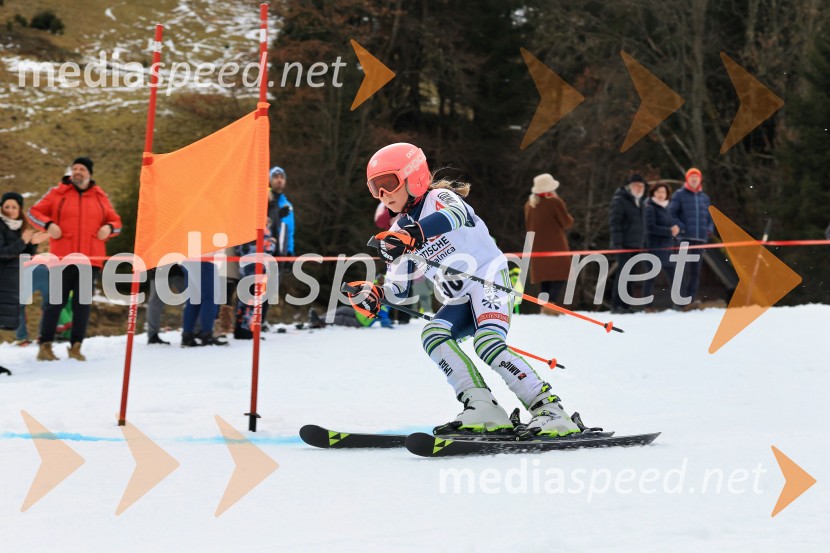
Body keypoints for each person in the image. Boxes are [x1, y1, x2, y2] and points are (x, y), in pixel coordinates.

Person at [344, 142, 585, 438]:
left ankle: (549, 408)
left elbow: (457, 216)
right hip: (460, 298)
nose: (383, 195)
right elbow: (398, 287)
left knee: (487, 343)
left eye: (388, 184)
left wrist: (415, 234)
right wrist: (376, 295)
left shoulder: (439, 198)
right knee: (433, 334)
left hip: (488, 282)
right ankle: (482, 406)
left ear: (414, 177)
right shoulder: (395, 234)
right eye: (374, 188)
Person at [27, 157, 122, 361]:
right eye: (74, 168)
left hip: (90, 260)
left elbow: (117, 222)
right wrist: (49, 225)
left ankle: (76, 346)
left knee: (82, 305)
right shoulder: (57, 193)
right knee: (55, 303)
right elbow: (33, 213)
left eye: (82, 169)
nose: (77, 171)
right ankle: (45, 346)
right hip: (62, 259)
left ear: (89, 173)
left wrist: (109, 228)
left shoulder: (100, 196)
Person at [524, 173, 574, 306]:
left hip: (536, 246)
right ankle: (550, 304)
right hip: (556, 246)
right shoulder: (555, 202)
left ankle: (543, 305)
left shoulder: (529, 205)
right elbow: (567, 222)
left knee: (545, 278)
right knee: (563, 275)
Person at [669, 168, 713, 305]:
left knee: (696, 271)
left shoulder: (704, 198)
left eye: (696, 177)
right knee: (682, 270)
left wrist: (709, 230)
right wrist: (681, 227)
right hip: (684, 238)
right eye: (691, 176)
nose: (694, 179)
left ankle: (691, 299)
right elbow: (671, 213)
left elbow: (710, 218)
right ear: (687, 179)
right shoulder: (679, 195)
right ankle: (679, 301)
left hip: (700, 239)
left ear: (700, 180)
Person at [1, 192, 42, 334]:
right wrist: (23, 241)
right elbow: (2, 253)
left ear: (20, 209)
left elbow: (24, 257)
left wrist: (32, 244)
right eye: (6, 206)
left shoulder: (20, 228)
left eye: (14, 207)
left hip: (11, 284)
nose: (10, 210)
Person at [609, 174, 648, 313]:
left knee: (632, 275)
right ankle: (616, 305)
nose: (639, 189)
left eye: (641, 186)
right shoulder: (619, 200)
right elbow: (615, 223)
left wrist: (643, 244)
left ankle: (626, 304)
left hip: (637, 245)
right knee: (623, 274)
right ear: (630, 187)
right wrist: (617, 244)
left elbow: (642, 225)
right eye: (636, 186)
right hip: (623, 245)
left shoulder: (641, 202)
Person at [643, 182, 680, 306]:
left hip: (667, 248)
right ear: (653, 193)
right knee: (650, 277)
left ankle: (680, 303)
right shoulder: (649, 207)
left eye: (663, 192)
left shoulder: (666, 209)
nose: (661, 194)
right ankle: (648, 306)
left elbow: (669, 225)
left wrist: (675, 230)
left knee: (674, 276)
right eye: (658, 192)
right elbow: (650, 228)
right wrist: (669, 231)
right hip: (653, 247)